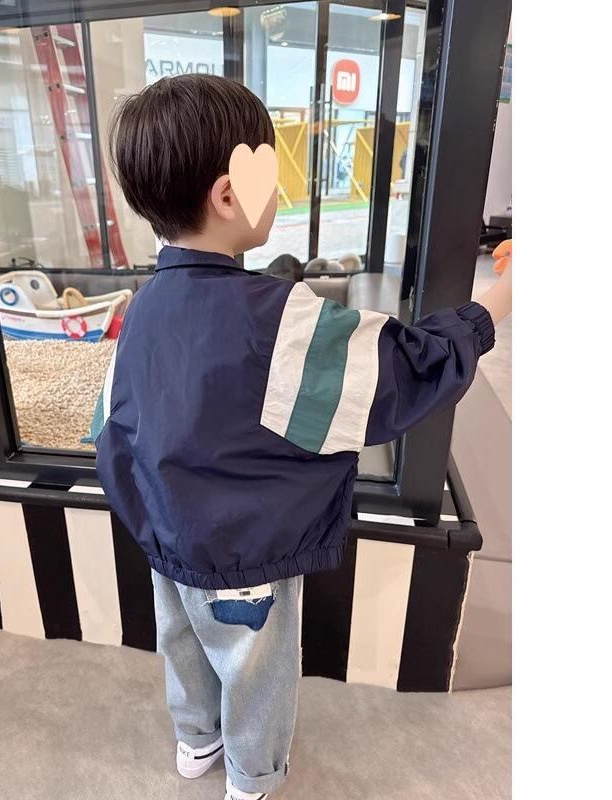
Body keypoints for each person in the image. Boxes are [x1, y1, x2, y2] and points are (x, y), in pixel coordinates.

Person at [90, 74, 512, 800]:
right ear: (229, 194)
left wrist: (151, 512)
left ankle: (196, 741)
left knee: (183, 641)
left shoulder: (144, 304)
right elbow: (404, 371)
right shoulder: (279, 315)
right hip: (246, 549)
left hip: (166, 533)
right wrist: (502, 298)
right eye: (270, 171)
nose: (280, 190)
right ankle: (252, 776)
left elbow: (112, 426)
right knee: (257, 667)